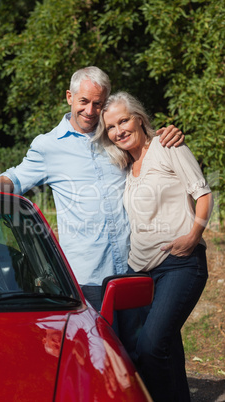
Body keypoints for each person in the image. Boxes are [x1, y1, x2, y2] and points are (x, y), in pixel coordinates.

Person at [0, 67, 184, 361]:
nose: (91, 111)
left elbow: (147, 147)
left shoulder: (115, 135)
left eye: (98, 103)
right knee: (99, 358)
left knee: (149, 353)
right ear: (69, 97)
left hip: (136, 267)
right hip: (89, 276)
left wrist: (168, 134)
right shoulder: (48, 146)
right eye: (83, 101)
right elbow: (15, 179)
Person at [94, 91, 213, 402]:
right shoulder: (125, 167)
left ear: (139, 119)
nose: (119, 130)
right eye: (111, 127)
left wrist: (192, 236)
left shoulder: (167, 146)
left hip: (180, 263)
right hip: (140, 270)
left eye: (123, 120)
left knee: (151, 343)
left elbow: (203, 194)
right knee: (160, 346)